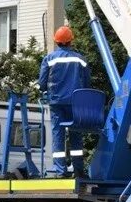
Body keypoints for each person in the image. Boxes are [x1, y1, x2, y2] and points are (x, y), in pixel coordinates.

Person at [38, 26, 91, 176]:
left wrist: (44, 90)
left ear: (57, 42)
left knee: (58, 134)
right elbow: (87, 82)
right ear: (70, 41)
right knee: (76, 134)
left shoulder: (49, 59)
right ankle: (79, 170)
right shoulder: (80, 59)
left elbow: (42, 83)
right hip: (75, 102)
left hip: (56, 102)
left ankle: (60, 171)